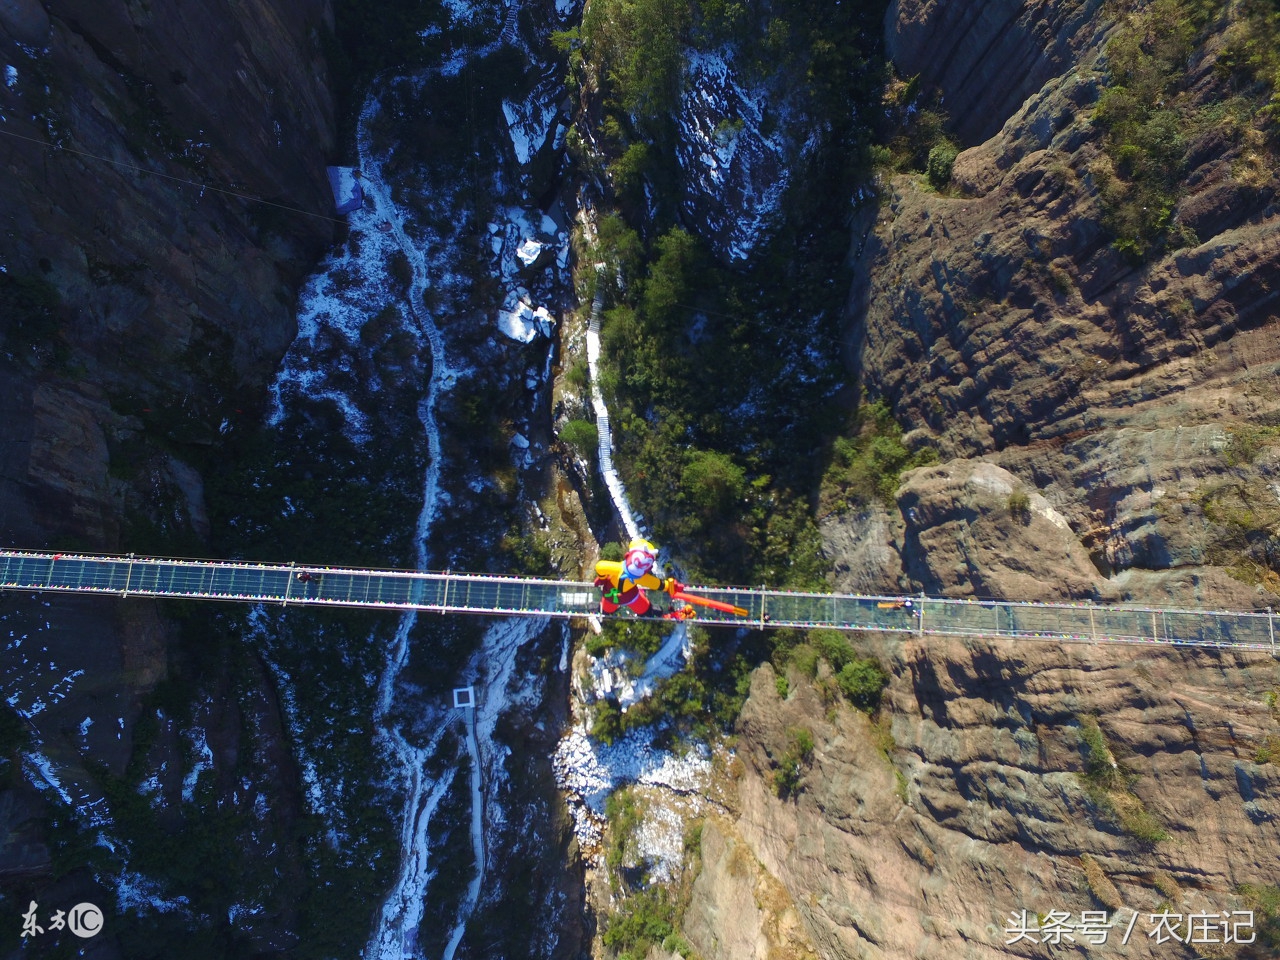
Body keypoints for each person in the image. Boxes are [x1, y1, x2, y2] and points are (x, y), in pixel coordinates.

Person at [593, 538, 683, 616]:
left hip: (611, 596)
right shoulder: (640, 578)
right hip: (630, 597)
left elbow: (600, 566)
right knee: (642, 607)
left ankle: (604, 611)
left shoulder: (617, 568)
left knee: (608, 607)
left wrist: (603, 578)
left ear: (627, 555)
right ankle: (648, 612)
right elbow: (656, 584)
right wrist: (668, 586)